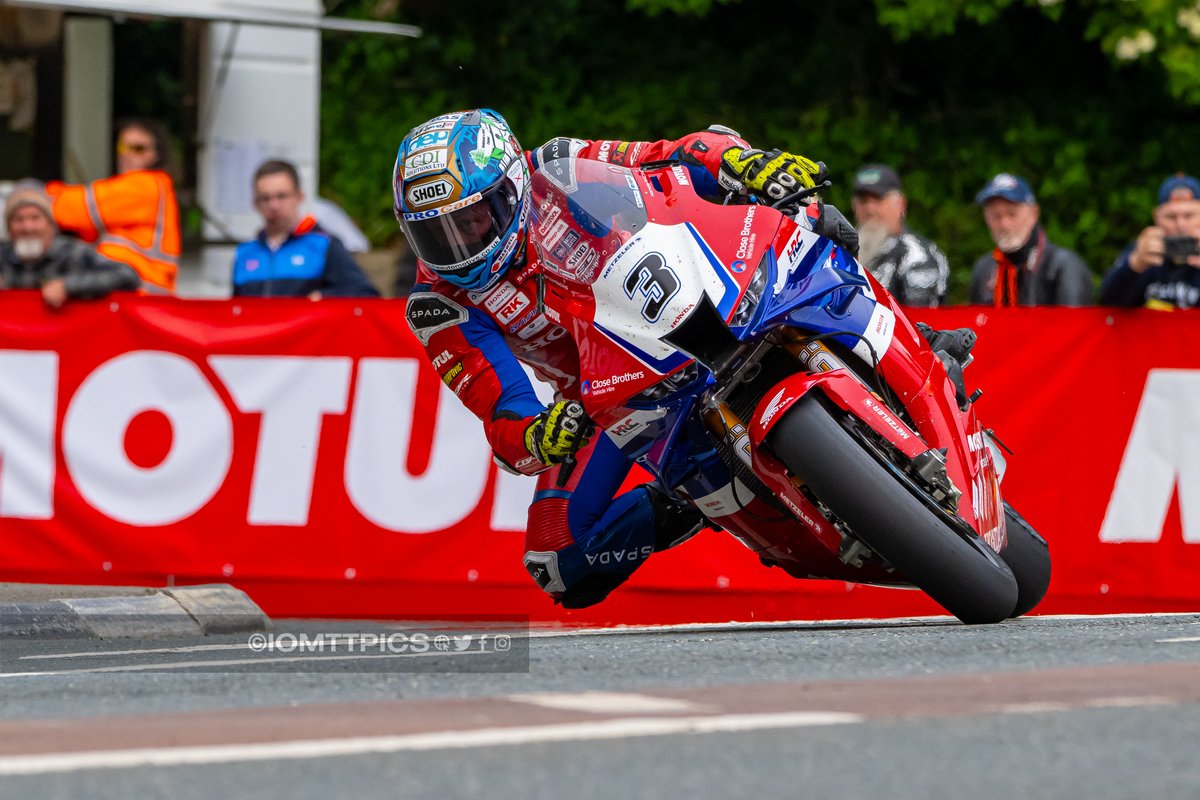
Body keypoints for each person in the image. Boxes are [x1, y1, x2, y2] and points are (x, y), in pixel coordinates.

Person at [391, 108, 849, 609]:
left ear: (511, 187)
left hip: (682, 285)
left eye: (472, 219)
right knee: (557, 563)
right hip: (611, 394)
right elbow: (505, 421)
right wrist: (541, 436)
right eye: (435, 233)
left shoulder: (559, 164)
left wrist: (744, 161)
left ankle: (910, 336)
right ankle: (691, 501)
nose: (459, 247)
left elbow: (667, 155)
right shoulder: (438, 305)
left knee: (806, 211)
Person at [46, 118, 181, 293]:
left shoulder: (146, 186)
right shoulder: (144, 186)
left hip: (139, 294)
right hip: (131, 293)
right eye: (122, 147)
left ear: (156, 155)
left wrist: (45, 194)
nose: (126, 154)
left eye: (138, 149)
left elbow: (74, 209)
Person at [231, 159, 380, 299]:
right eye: (265, 198)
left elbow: (365, 293)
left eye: (281, 196)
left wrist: (323, 296)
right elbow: (236, 311)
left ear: (299, 197)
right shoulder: (245, 253)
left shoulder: (323, 245)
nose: (273, 206)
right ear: (255, 203)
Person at [1, 182, 140, 308]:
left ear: (50, 225)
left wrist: (68, 286)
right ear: (9, 228)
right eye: (18, 219)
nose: (27, 227)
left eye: (35, 218)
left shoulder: (73, 252)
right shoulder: (3, 256)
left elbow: (128, 276)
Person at [968, 173, 1093, 306]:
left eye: (1012, 214)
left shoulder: (1063, 267)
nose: (1004, 224)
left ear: (1034, 213)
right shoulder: (983, 269)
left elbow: (1076, 325)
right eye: (995, 216)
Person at [851, 163, 949, 306]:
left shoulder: (917, 255)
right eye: (863, 201)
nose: (870, 209)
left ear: (901, 204)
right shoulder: (847, 252)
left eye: (878, 199)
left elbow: (918, 321)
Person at [1099, 174, 1200, 309]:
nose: (1180, 224)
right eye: (1171, 217)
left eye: (1189, 216)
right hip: (1149, 329)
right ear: (1157, 217)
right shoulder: (1143, 252)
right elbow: (1107, 303)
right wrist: (1135, 265)